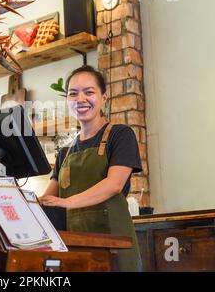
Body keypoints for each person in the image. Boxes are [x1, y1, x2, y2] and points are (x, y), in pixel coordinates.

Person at [39, 65, 142, 272]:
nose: (80, 99)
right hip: (75, 248)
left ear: (104, 97)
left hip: (115, 247)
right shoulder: (65, 152)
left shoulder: (120, 135)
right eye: (73, 94)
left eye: (89, 92)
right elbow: (49, 199)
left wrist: (67, 202)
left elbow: (114, 184)